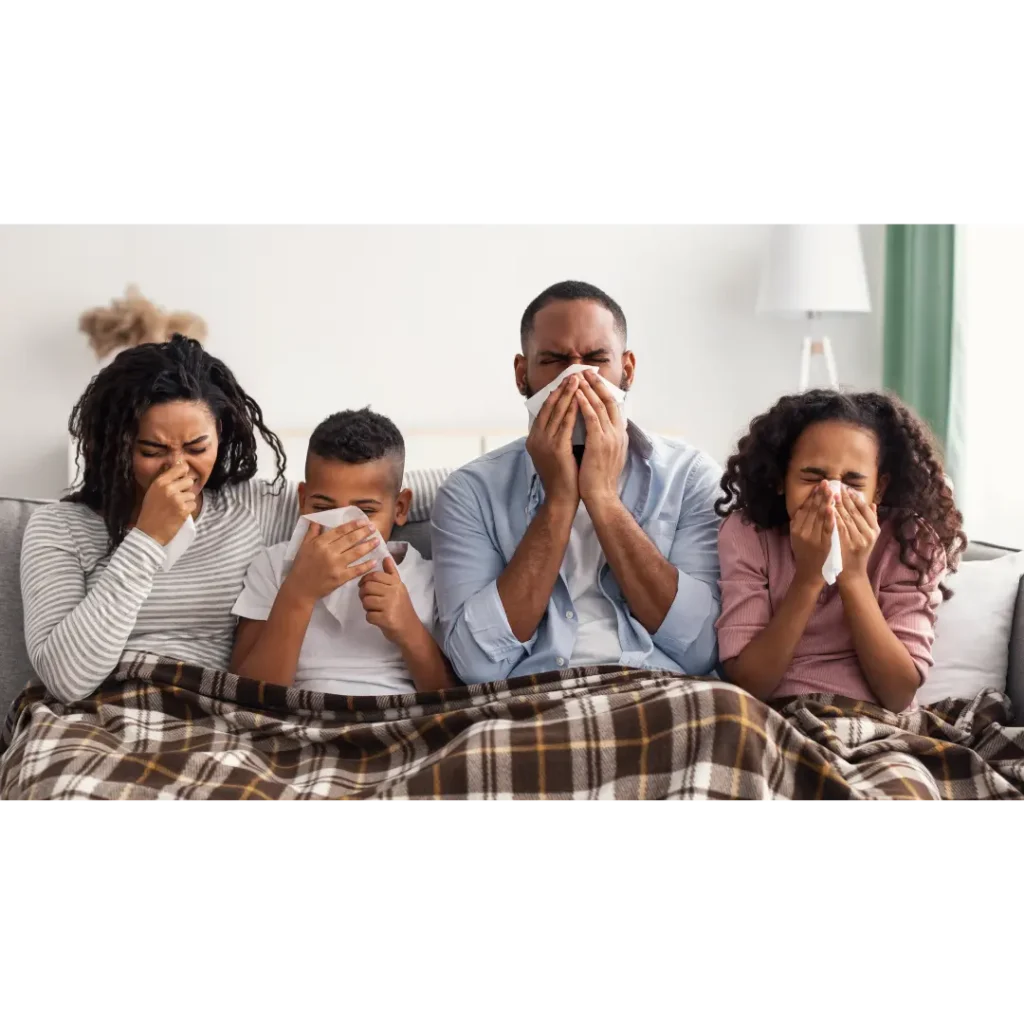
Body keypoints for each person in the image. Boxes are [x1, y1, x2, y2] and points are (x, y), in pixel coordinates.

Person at [431, 280, 722, 684]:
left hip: (662, 690)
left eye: (596, 359)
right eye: (553, 360)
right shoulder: (470, 493)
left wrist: (602, 498)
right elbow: (476, 666)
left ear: (628, 369)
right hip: (533, 701)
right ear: (522, 374)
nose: (575, 378)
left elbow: (702, 650)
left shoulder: (690, 476)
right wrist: (560, 500)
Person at [20, 334, 297, 703]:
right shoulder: (58, 528)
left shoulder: (252, 507)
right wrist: (147, 538)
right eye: (153, 450)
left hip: (207, 714)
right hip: (95, 714)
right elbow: (66, 681)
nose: (179, 467)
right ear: (114, 446)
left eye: (198, 448)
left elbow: (372, 496)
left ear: (222, 436)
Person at [715, 389, 966, 713]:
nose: (831, 495)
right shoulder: (748, 535)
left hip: (874, 721)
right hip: (775, 718)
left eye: (853, 483)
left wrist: (853, 576)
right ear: (781, 480)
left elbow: (899, 694)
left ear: (879, 488)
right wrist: (808, 578)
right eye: (812, 477)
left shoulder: (909, 542)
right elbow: (749, 684)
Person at [230, 409, 452, 695]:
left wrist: (408, 628)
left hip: (397, 719)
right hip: (296, 718)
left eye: (365, 511)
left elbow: (449, 696)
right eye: (322, 509)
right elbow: (244, 694)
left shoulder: (428, 578)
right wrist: (298, 593)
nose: (339, 528)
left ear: (400, 508)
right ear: (302, 500)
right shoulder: (273, 566)